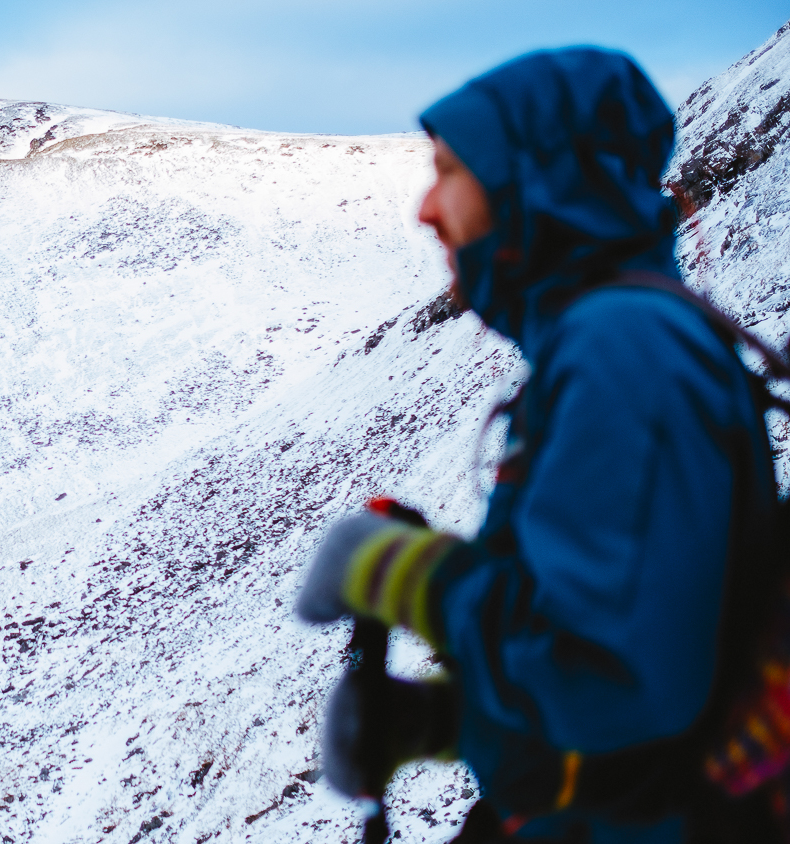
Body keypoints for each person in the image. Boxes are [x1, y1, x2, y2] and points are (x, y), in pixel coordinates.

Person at [295, 47, 783, 843]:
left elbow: (617, 686)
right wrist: (437, 722)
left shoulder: (623, 349)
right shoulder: (616, 339)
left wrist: (400, 572)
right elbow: (639, 655)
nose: (425, 208)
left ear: (533, 180)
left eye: (450, 171)